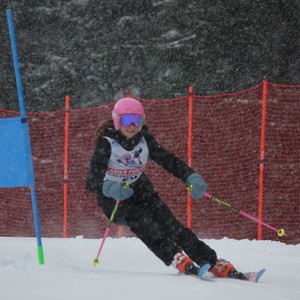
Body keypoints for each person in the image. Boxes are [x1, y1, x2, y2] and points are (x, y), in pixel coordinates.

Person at [86, 97, 235, 278]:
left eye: (137, 120)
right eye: (127, 120)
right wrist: (110, 187)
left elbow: (168, 160)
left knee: (171, 225)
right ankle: (174, 256)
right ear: (117, 120)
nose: (132, 125)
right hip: (113, 199)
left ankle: (210, 261)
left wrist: (190, 176)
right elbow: (92, 181)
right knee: (143, 223)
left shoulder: (144, 141)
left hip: (140, 189)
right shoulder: (107, 143)